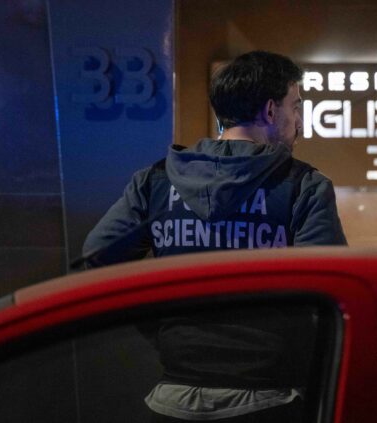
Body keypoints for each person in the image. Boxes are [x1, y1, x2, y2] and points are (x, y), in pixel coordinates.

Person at [82, 50, 347, 422]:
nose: (300, 121)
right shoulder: (305, 186)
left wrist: (162, 327)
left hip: (173, 395)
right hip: (271, 399)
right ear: (271, 111)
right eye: (296, 106)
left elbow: (96, 259)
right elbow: (332, 288)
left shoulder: (156, 181)